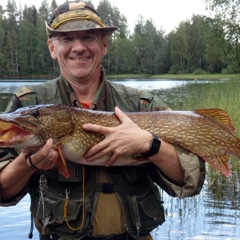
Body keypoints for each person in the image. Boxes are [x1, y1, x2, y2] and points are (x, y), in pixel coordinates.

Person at [0, 1, 205, 240]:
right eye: (66, 39)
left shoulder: (141, 104)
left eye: (88, 37)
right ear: (52, 48)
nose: (78, 47)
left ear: (103, 44)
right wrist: (29, 164)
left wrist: (151, 145)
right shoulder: (28, 104)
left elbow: (189, 180)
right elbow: (3, 190)